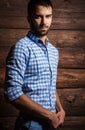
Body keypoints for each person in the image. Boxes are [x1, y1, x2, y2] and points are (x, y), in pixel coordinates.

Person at [5, 0, 65, 130]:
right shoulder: (21, 48)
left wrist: (60, 109)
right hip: (31, 125)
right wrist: (50, 115)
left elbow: (50, 85)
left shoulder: (54, 51)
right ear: (29, 19)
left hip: (52, 123)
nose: (44, 22)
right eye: (38, 16)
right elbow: (12, 93)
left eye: (48, 16)